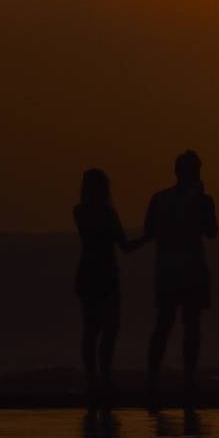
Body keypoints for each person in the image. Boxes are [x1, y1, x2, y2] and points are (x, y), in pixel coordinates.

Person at [145, 149, 219, 411]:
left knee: (163, 325)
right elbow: (211, 231)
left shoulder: (159, 199)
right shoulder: (202, 200)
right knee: (190, 326)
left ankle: (152, 380)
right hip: (191, 269)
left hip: (166, 269)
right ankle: (187, 380)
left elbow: (148, 232)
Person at [73, 168, 146, 408]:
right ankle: (103, 377)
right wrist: (149, 237)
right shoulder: (107, 213)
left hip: (87, 274)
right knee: (109, 328)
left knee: (92, 328)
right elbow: (124, 246)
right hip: (105, 275)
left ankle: (94, 379)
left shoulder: (80, 212)